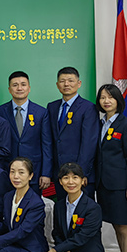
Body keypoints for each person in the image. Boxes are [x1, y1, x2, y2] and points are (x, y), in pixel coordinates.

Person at [42, 163, 107, 252]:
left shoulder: (93, 208)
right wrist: (63, 249)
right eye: (66, 178)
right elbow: (57, 233)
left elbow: (82, 237)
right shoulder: (59, 206)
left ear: (83, 181)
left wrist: (56, 250)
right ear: (60, 182)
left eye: (75, 177)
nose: (70, 182)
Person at [95, 84, 127, 252]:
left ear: (118, 100)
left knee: (124, 226)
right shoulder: (100, 123)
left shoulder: (126, 124)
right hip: (103, 184)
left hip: (121, 185)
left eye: (110, 97)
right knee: (116, 226)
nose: (106, 101)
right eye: (103, 97)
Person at [0, 71, 53, 195]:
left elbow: (47, 144)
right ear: (9, 89)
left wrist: (46, 173)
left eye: (23, 84)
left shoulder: (41, 112)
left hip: (33, 172)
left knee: (32, 205)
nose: (19, 88)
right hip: (7, 171)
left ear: (29, 88)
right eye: (15, 85)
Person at [47, 67, 99, 199]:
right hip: (59, 174)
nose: (66, 84)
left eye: (70, 80)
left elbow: (89, 144)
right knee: (62, 209)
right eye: (62, 81)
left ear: (79, 83)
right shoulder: (52, 107)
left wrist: (81, 173)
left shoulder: (88, 108)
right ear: (57, 85)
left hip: (80, 176)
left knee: (82, 210)